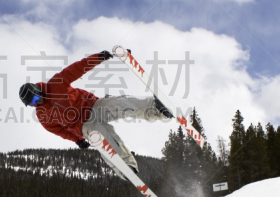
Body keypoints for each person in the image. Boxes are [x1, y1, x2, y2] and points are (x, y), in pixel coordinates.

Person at [19, 50, 172, 174]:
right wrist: (77, 139)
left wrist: (99, 58)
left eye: (35, 99)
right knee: (99, 136)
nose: (36, 104)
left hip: (94, 105)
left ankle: (156, 108)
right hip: (84, 125)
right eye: (31, 104)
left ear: (37, 90)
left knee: (119, 103)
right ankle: (125, 167)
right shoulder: (42, 115)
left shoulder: (56, 83)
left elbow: (79, 68)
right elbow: (58, 130)